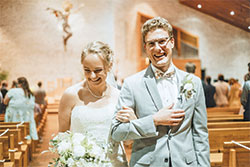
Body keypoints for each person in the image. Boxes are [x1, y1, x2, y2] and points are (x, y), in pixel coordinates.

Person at [111, 17, 210, 167]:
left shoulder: (193, 82)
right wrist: (154, 120)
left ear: (172, 42)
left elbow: (200, 134)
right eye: (151, 43)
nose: (157, 48)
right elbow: (117, 132)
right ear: (145, 48)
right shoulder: (132, 84)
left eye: (162, 41)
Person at [58, 41, 133, 167]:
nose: (92, 76)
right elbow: (62, 138)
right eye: (87, 70)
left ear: (109, 66)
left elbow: (128, 142)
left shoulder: (120, 97)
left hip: (114, 163)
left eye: (98, 70)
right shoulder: (70, 95)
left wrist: (132, 123)